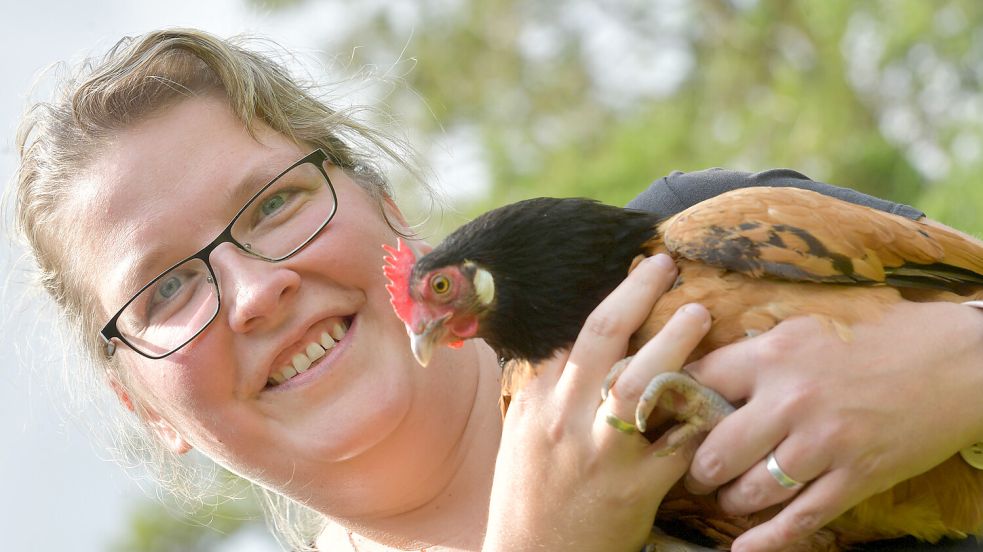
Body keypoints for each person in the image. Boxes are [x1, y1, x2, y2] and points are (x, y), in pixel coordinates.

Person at [12, 28, 983, 552]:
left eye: (270, 206)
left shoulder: (700, 240)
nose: (256, 292)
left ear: (384, 205)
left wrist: (956, 367)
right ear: (142, 404)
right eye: (168, 287)